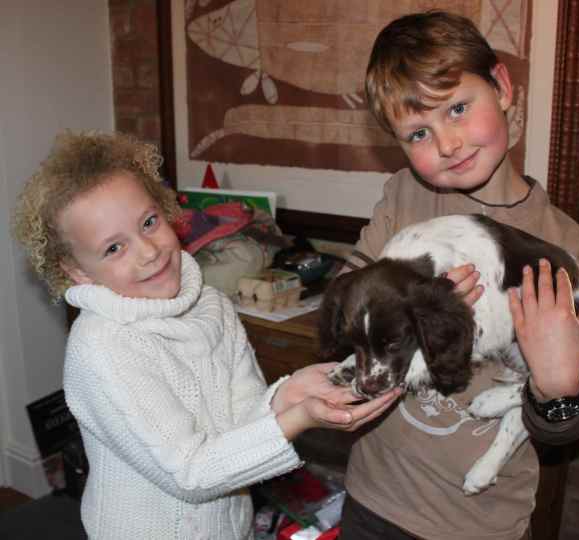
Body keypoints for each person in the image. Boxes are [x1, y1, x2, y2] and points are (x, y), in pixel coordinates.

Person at [12, 131, 401, 540]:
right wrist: (300, 417)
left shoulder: (210, 306)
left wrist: (287, 394)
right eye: (114, 248)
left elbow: (241, 421)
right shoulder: (102, 347)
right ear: (78, 271)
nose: (148, 251)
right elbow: (190, 472)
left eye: (149, 223)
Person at [337, 11, 579, 540]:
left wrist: (556, 386)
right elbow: (347, 308)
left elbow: (564, 428)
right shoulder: (403, 197)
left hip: (481, 523)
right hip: (375, 499)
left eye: (458, 108)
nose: (448, 144)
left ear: (501, 86)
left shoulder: (565, 247)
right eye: (419, 133)